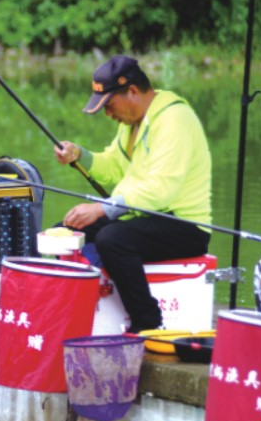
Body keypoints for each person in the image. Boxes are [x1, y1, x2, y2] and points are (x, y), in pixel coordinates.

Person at [54, 55, 211, 334]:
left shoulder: (174, 120)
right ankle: (75, 310)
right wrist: (80, 155)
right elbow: (115, 167)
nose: (109, 114)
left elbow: (161, 189)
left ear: (133, 92)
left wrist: (102, 209)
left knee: (112, 239)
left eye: (110, 105)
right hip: (144, 215)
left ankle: (147, 323)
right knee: (66, 232)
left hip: (185, 224)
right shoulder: (132, 123)